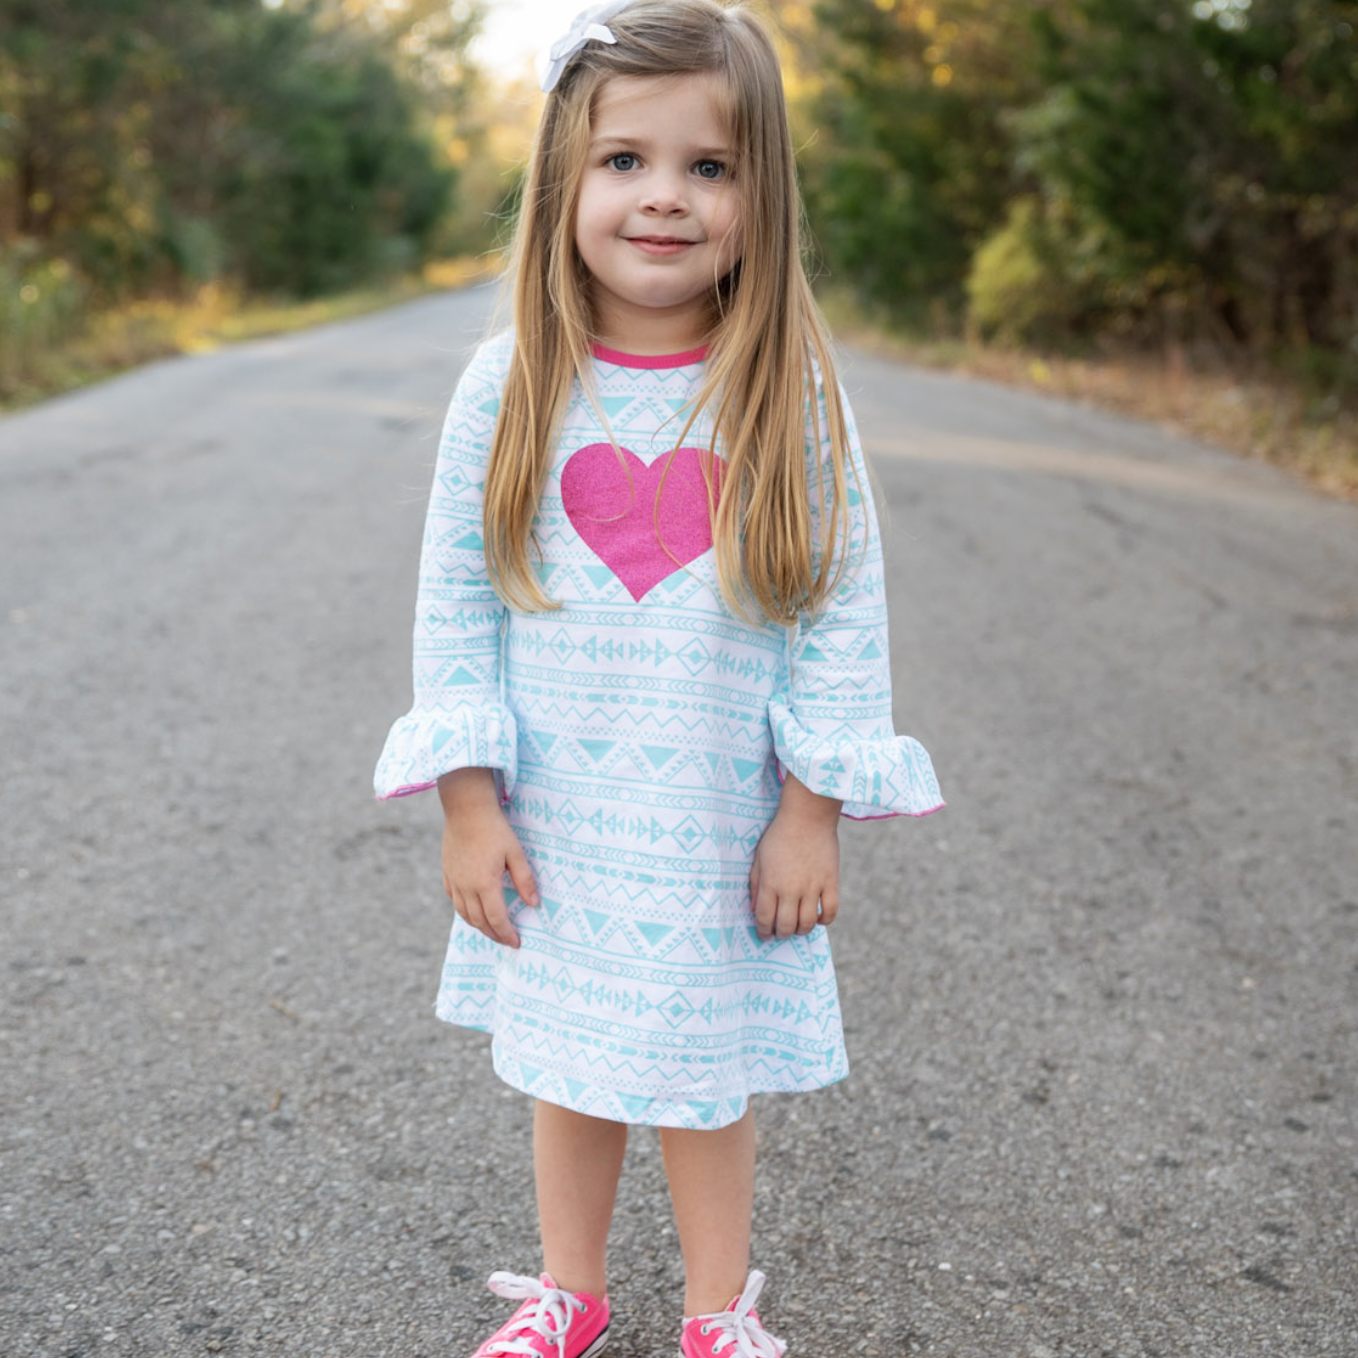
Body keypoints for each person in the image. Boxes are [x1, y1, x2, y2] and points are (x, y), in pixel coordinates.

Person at [373, 2, 944, 1354]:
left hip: (712, 806)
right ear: (566, 182)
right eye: (625, 161)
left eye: (710, 166)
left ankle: (710, 1311)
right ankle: (569, 1290)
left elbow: (838, 602)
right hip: (556, 806)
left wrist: (810, 804)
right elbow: (454, 598)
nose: (664, 198)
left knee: (700, 1070)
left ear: (762, 197)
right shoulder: (509, 380)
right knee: (569, 1055)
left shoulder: (783, 390)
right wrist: (467, 797)